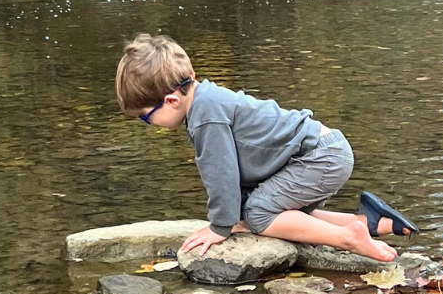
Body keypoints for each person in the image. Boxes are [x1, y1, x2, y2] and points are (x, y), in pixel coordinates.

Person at [113, 31, 405, 266]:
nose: (148, 124)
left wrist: (219, 227)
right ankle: (370, 222)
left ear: (171, 101)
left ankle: (347, 238)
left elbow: (222, 176)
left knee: (259, 215)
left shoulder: (205, 118)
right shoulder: (208, 99)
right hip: (323, 151)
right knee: (277, 215)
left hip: (319, 158)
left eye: (146, 118)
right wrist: (236, 219)